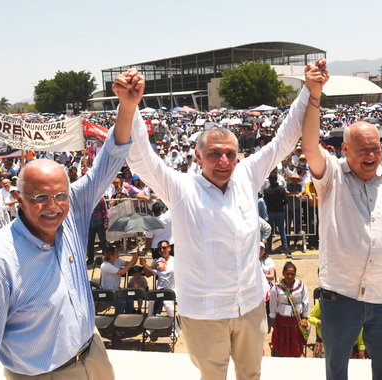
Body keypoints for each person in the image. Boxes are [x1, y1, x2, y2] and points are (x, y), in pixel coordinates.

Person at [114, 60, 325, 379]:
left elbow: (284, 140)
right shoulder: (181, 187)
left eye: (229, 153)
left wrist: (309, 90)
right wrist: (129, 106)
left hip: (250, 305)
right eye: (214, 153)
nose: (223, 160)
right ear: (198, 157)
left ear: (238, 155)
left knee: (251, 374)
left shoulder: (248, 175)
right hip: (203, 312)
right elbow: (142, 160)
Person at [0, 123, 131, 379]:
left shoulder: (70, 218)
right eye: (40, 197)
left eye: (60, 195)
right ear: (19, 198)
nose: (53, 206)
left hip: (93, 356)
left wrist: (127, 105)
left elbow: (108, 161)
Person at [301, 62, 382, 379]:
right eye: (363, 150)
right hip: (340, 297)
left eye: (376, 149)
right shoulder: (330, 177)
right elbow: (309, 145)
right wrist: (314, 96)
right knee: (337, 369)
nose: (371, 156)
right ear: (344, 149)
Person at [269, 262, 310, 357]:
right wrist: (273, 319)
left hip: (296, 321)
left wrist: (305, 318)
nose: (290, 276)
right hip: (281, 322)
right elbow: (273, 304)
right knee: (280, 348)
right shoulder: (277, 287)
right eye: (287, 273)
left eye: (292, 274)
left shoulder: (301, 286)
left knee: (295, 347)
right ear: (283, 273)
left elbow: (306, 302)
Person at [100, 243, 140, 314]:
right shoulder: (105, 266)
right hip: (108, 293)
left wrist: (136, 256)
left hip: (117, 291)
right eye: (116, 252)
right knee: (121, 303)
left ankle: (129, 317)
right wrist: (133, 260)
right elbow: (123, 272)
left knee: (129, 299)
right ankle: (118, 320)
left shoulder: (117, 260)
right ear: (111, 256)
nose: (118, 253)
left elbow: (131, 264)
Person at [140, 240, 175, 317]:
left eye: (164, 248)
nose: (162, 250)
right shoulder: (156, 261)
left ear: (169, 248)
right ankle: (151, 320)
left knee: (166, 303)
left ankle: (175, 323)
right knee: (151, 301)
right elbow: (148, 274)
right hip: (160, 289)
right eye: (159, 249)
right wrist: (144, 264)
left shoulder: (175, 261)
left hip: (172, 290)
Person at [87, 198, 109, 265]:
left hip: (100, 223)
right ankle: (90, 259)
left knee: (103, 242)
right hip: (90, 224)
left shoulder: (101, 198)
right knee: (90, 242)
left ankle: (106, 258)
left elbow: (105, 211)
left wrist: (106, 222)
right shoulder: (87, 198)